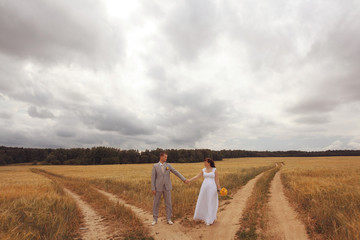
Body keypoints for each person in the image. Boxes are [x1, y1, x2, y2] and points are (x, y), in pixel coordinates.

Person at [151, 152, 189, 225]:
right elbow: (153, 178)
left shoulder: (168, 165)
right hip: (158, 188)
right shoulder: (155, 166)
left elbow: (176, 172)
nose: (166, 158)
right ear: (161, 157)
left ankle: (169, 219)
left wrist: (184, 179)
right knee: (156, 203)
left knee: (168, 203)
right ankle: (155, 219)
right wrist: (153, 188)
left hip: (167, 187)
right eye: (165, 157)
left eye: (166, 157)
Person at [189, 157, 221, 226]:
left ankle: (210, 218)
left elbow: (217, 179)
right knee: (203, 201)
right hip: (204, 188)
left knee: (210, 201)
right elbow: (197, 176)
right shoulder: (203, 170)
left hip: (212, 188)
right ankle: (202, 216)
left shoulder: (214, 170)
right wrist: (189, 180)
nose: (204, 163)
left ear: (209, 163)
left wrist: (219, 188)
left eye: (205, 162)